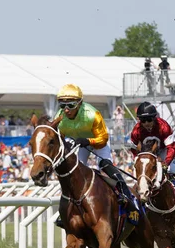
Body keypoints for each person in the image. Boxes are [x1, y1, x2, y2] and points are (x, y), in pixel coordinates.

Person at [54, 83, 134, 213]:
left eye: (71, 105)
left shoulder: (92, 114)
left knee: (105, 165)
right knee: (74, 170)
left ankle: (126, 195)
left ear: (79, 103)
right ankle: (69, 206)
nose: (66, 109)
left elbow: (103, 140)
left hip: (97, 141)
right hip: (80, 142)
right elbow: (60, 138)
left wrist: (88, 141)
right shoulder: (59, 117)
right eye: (62, 105)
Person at [129, 101, 175, 194]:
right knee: (138, 176)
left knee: (174, 170)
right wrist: (138, 161)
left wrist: (166, 163)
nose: (146, 123)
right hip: (146, 156)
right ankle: (133, 200)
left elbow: (172, 148)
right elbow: (133, 149)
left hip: (163, 152)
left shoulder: (163, 127)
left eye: (149, 119)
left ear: (154, 117)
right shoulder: (136, 131)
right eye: (143, 120)